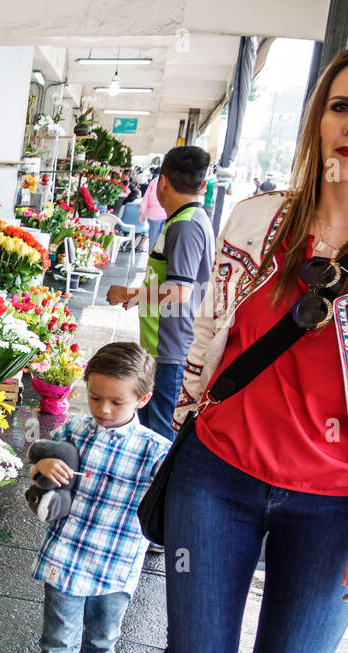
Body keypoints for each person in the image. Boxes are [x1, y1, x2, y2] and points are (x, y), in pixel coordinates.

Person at [111, 38, 348, 653]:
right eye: (342, 104)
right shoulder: (258, 220)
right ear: (317, 116)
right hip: (217, 473)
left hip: (337, 506)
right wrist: (182, 414)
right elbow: (205, 333)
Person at [23, 343, 172, 653]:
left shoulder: (155, 451)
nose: (103, 408)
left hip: (119, 560)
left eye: (116, 401)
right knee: (55, 647)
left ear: (142, 399)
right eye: (94, 397)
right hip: (67, 554)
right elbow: (38, 468)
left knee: (105, 632)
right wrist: (43, 468)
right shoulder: (73, 432)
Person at [105, 145, 215, 441]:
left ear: (162, 182)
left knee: (160, 434)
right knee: (150, 426)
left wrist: (129, 295)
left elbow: (180, 292)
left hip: (173, 349)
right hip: (161, 345)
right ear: (203, 185)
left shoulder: (186, 226)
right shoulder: (182, 221)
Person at [138, 167, 168, 252]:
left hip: (155, 215)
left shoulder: (155, 181)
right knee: (162, 240)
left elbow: (146, 197)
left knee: (153, 239)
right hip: (166, 214)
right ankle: (156, 259)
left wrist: (143, 213)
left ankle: (151, 259)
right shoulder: (173, 182)